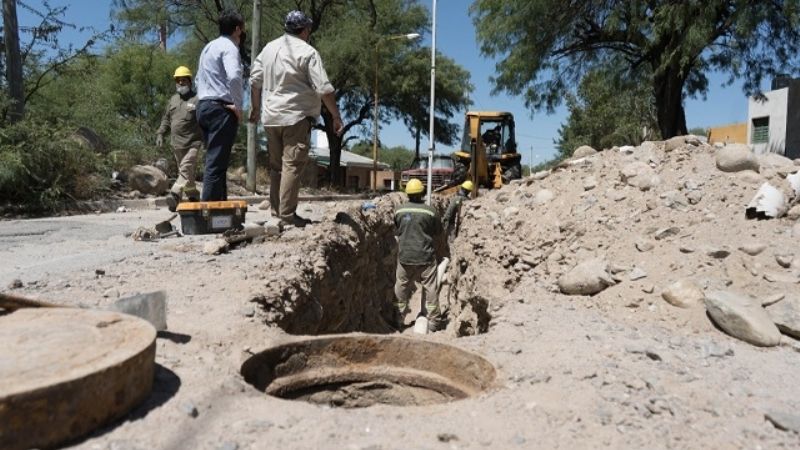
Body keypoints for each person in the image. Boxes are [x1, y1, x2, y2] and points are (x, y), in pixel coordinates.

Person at [249, 10, 343, 228]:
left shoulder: (268, 49)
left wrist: (255, 108)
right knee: (292, 165)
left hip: (271, 117)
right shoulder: (307, 52)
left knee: (276, 167)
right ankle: (287, 215)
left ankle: (276, 212)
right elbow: (324, 88)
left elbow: (255, 80)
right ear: (305, 30)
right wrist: (336, 116)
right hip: (296, 116)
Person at [195, 9, 245, 201]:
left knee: (217, 160)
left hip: (204, 106)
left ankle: (220, 211)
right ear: (237, 29)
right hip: (220, 109)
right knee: (216, 164)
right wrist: (237, 105)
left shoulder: (208, 47)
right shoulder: (229, 47)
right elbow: (234, 76)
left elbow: (199, 79)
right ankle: (209, 213)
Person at [392, 178, 444, 333]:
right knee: (430, 288)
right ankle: (434, 321)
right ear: (422, 193)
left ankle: (399, 318)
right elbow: (437, 232)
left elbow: (397, 229)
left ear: (407, 193)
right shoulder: (430, 211)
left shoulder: (398, 210)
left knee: (401, 286)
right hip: (426, 257)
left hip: (405, 256)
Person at [156, 66, 203, 211]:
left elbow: (204, 120)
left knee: (185, 168)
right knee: (186, 172)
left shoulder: (197, 100)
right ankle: (193, 195)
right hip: (177, 143)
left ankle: (175, 194)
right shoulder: (173, 100)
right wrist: (160, 133)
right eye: (179, 80)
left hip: (193, 143)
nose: (181, 83)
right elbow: (166, 119)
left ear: (190, 82)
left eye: (184, 80)